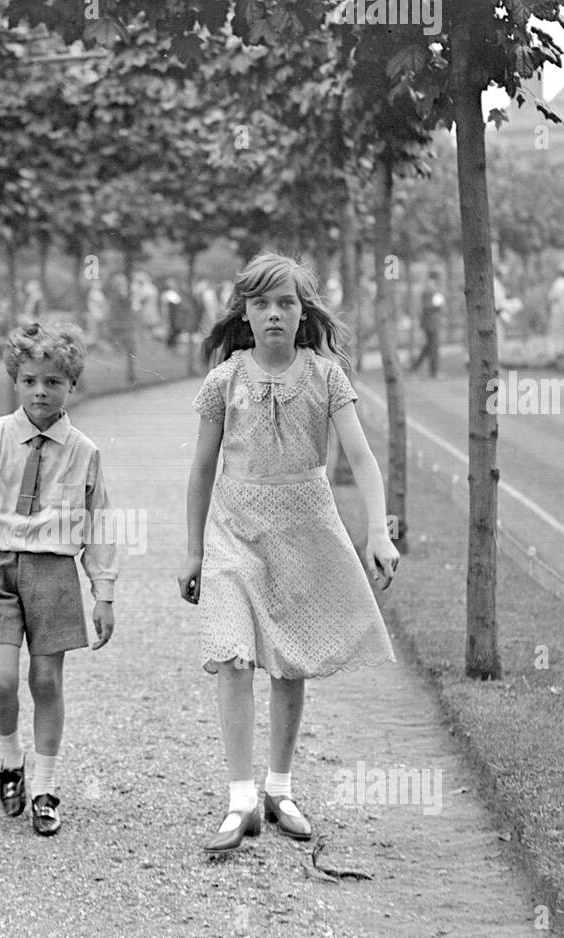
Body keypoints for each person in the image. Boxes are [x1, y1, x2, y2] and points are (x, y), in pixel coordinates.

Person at [178, 252, 398, 856]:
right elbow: (201, 469)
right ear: (244, 315)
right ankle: (240, 797)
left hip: (304, 528)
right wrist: (193, 550)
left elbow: (361, 458)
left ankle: (280, 787)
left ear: (304, 315)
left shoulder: (326, 377)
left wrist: (377, 530)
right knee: (231, 654)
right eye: (261, 304)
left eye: (286, 304)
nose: (273, 314)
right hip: (234, 531)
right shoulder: (225, 381)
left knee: (290, 662)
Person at [0, 321, 118, 837]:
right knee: (0, 681)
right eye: (29, 381)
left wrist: (104, 593)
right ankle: (11, 761)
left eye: (52, 381)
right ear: (15, 381)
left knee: (45, 680)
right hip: (0, 569)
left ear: (72, 384)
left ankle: (46, 788)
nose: (40, 391)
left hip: (53, 570)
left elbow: (98, 525)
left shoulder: (84, 451)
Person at [410, 266, 444, 376]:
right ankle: (434, 372)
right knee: (433, 347)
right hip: (430, 323)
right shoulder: (430, 289)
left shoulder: (432, 288)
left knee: (429, 347)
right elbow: (427, 306)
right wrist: (437, 305)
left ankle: (415, 367)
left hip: (431, 322)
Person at [546, 264, 564, 373]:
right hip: (560, 312)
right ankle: (560, 362)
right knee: (561, 337)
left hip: (555, 311)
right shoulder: (563, 284)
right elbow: (561, 301)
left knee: (555, 336)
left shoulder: (557, 282)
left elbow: (550, 297)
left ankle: (557, 360)